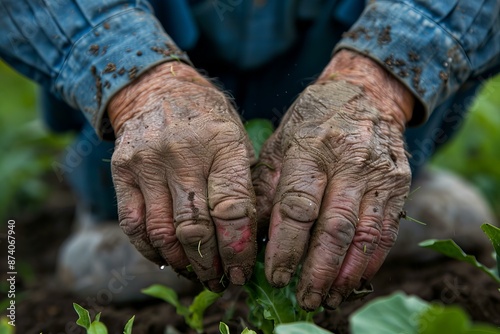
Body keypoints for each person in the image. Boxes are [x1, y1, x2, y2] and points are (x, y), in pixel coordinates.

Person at [1, 0, 499, 310]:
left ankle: (381, 177)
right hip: (154, 74)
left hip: (329, 45)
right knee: (130, 268)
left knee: (384, 181)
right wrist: (141, 84)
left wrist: (376, 84)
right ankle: (116, 209)